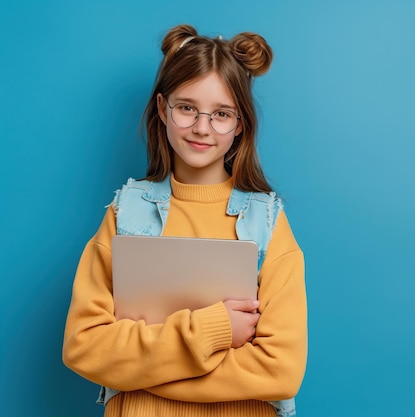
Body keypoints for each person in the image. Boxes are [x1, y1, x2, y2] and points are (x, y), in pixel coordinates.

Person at [62, 24, 307, 417]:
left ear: (240, 123)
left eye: (222, 114)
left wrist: (140, 370)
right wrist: (215, 328)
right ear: (163, 108)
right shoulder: (127, 212)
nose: (202, 128)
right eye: (187, 107)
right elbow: (84, 346)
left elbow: (281, 371)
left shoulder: (267, 222)